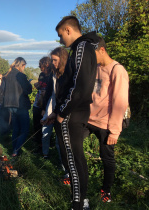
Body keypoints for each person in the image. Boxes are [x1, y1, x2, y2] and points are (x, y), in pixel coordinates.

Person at [47, 16, 99, 210]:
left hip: (73, 114)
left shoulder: (81, 48)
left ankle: (77, 204)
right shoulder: (84, 48)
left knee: (73, 161)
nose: (61, 40)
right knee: (77, 158)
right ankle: (82, 200)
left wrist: (62, 113)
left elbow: (79, 88)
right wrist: (56, 112)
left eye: (61, 35)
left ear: (68, 30)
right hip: (73, 112)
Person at [83, 37, 129, 202]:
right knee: (72, 144)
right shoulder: (94, 68)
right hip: (89, 119)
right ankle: (78, 181)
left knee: (107, 158)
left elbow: (120, 102)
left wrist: (114, 131)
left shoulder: (117, 70)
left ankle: (106, 191)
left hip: (106, 123)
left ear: (102, 50)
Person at [41, 47, 68, 161]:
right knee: (45, 130)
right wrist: (44, 108)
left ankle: (65, 167)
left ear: (62, 59)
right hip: (52, 104)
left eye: (55, 60)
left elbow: (65, 97)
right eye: (52, 60)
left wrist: (57, 113)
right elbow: (49, 92)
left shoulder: (68, 74)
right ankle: (45, 154)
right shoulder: (53, 73)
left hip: (63, 108)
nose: (53, 63)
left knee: (60, 139)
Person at [3, 57, 32, 157]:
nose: (24, 68)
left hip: (9, 105)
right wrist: (29, 83)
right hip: (20, 105)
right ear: (21, 65)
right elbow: (28, 90)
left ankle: (13, 149)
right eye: (24, 66)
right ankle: (16, 150)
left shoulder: (7, 75)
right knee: (24, 129)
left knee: (15, 129)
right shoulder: (21, 76)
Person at [32, 56, 51, 154]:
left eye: (41, 65)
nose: (39, 67)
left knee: (44, 125)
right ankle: (38, 144)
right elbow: (40, 85)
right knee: (36, 125)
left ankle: (44, 148)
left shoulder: (51, 76)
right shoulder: (41, 75)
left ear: (46, 64)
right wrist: (38, 86)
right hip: (37, 103)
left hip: (46, 104)